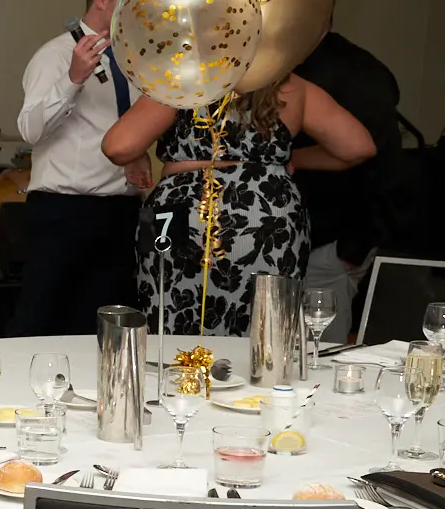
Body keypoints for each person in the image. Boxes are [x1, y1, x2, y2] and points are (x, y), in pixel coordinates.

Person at [106, 77, 375, 336]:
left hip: (180, 208)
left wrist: (139, 153)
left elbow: (119, 146)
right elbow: (358, 147)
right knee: (265, 326)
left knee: (169, 312)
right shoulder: (291, 85)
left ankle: (178, 378)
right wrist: (286, 160)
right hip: (269, 211)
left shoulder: (184, 77)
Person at [11, 0, 150, 337]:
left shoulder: (135, 58)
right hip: (64, 213)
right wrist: (73, 79)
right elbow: (30, 130)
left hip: (121, 212)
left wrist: (138, 154)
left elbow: (123, 124)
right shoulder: (55, 56)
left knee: (106, 329)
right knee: (42, 321)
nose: (141, 3)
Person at [293, 26, 402, 341]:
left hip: (331, 243)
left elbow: (378, 157)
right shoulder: (280, 65)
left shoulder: (357, 71)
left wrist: (350, 250)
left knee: (319, 354)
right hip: (295, 242)